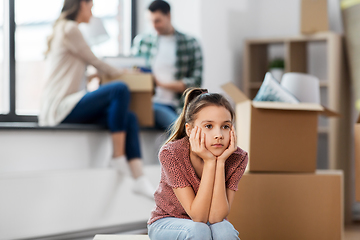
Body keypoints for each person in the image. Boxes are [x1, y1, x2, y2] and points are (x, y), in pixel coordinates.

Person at [38, 0, 155, 199]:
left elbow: (75, 67)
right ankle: (118, 156)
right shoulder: (70, 29)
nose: (92, 11)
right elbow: (95, 61)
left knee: (129, 118)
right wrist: (122, 72)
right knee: (120, 88)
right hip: (60, 107)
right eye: (91, 6)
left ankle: (139, 178)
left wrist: (92, 76)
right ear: (82, 4)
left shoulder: (64, 29)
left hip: (68, 104)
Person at [147, 88, 249, 239]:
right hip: (167, 221)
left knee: (225, 231)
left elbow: (216, 218)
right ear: (190, 130)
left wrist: (219, 162)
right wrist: (209, 162)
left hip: (207, 224)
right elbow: (198, 216)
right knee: (198, 230)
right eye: (209, 126)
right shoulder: (171, 154)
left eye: (225, 126)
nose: (219, 135)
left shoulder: (237, 158)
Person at [132, 0, 203, 131]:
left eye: (157, 20)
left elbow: (195, 83)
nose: (154, 25)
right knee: (177, 128)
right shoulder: (142, 42)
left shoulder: (190, 44)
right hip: (150, 103)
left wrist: (159, 83)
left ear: (168, 16)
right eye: (150, 21)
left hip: (178, 105)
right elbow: (133, 73)